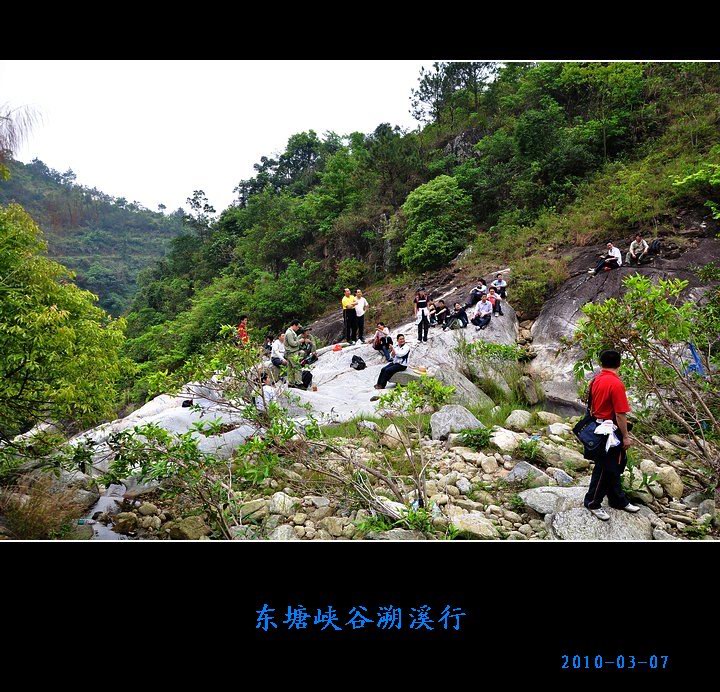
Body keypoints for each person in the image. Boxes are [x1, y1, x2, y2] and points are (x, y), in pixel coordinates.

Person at [583, 349, 640, 521]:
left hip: (598, 427)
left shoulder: (596, 379)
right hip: (610, 431)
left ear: (601, 363)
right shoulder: (616, 384)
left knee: (615, 464)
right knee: (605, 468)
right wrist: (625, 436)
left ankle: (617, 499)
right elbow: (620, 414)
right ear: (619, 363)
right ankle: (592, 502)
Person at [284, 320, 303, 388]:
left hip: (290, 352)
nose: (298, 328)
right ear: (294, 325)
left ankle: (291, 383)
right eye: (297, 327)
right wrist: (299, 341)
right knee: (297, 367)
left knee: (290, 368)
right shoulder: (289, 333)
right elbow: (292, 343)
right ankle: (299, 383)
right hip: (292, 352)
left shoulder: (290, 332)